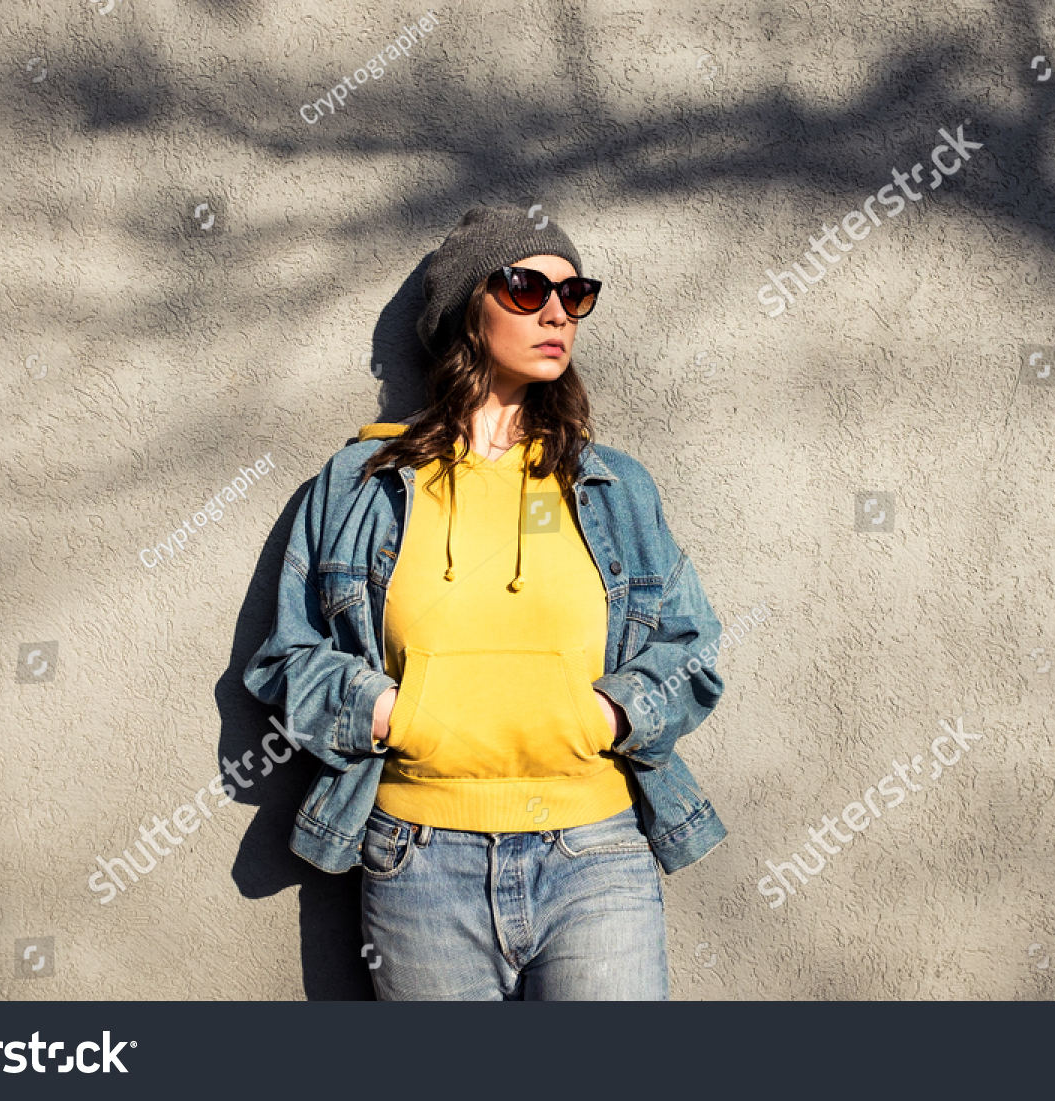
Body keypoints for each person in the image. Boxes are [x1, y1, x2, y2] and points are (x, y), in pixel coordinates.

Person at [243, 205, 727, 1000]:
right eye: (527, 285)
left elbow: (692, 646)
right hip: (419, 858)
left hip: (595, 854)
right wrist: (398, 714)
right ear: (467, 308)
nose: (554, 312)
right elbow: (285, 657)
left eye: (576, 295)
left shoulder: (615, 486)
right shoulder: (361, 484)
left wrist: (599, 717)